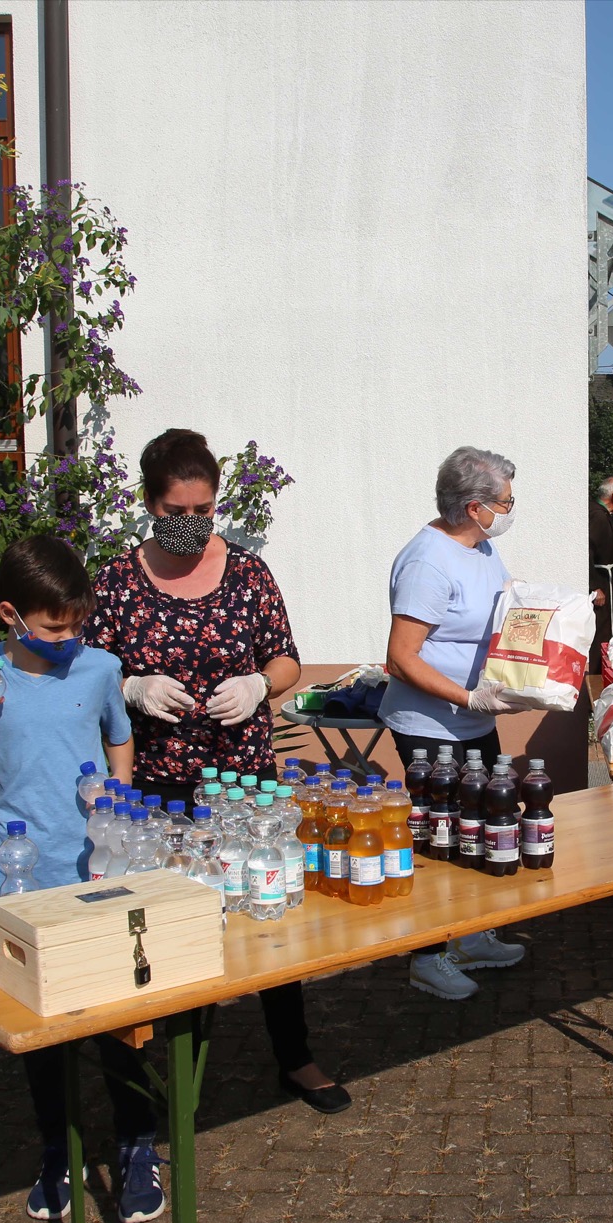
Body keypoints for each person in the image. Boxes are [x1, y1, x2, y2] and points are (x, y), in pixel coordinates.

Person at [85, 429, 348, 1114]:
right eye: (180, 512)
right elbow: (85, 676)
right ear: (149, 504)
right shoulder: (116, 582)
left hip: (244, 781)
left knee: (268, 915)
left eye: (205, 512)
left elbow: (287, 658)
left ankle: (295, 1056)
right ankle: (174, 1070)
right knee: (170, 927)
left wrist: (261, 686)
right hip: (162, 787)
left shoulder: (249, 573)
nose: (195, 525)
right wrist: (131, 687)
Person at [0, 537, 147, 1223]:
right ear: (10, 616)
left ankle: (137, 1144)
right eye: (53, 628)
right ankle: (59, 1149)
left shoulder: (99, 667)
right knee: (44, 1026)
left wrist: (122, 795)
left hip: (95, 866)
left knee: (120, 1019)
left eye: (77, 624)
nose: (68, 638)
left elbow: (118, 735)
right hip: (19, 876)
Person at [379, 446, 532, 1000]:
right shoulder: (427, 562)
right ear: (474, 506)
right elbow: (402, 658)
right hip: (430, 723)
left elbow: (505, 611)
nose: (512, 509)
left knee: (488, 824)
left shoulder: (482, 546)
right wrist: (469, 699)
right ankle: (427, 954)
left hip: (472, 717)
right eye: (506, 501)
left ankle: (471, 935)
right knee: (438, 837)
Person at [591, 477, 613, 644]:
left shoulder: (600, 513)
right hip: (600, 579)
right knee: (601, 629)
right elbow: (588, 550)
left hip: (606, 578)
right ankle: (597, 668)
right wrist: (595, 585)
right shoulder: (598, 516)